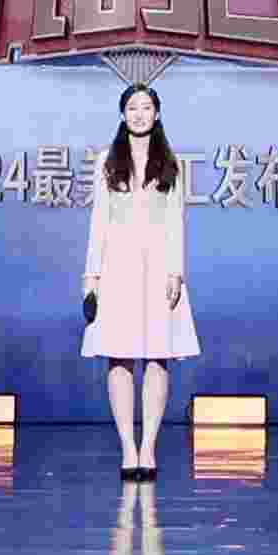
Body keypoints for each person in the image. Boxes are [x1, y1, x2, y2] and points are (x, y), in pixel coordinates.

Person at [83, 82, 196, 479]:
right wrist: (91, 276)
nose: (139, 114)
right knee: (119, 356)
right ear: (122, 114)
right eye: (132, 107)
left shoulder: (171, 162)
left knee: (157, 356)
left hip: (159, 266)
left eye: (146, 107)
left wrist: (176, 271)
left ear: (157, 113)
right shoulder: (107, 160)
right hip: (117, 266)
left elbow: (175, 222)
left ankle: (148, 447)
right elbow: (99, 221)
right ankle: (127, 449)